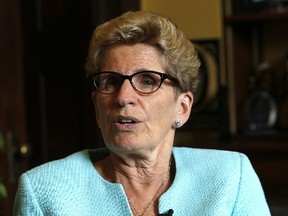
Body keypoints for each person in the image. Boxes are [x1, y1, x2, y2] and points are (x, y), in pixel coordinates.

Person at [13, 11, 270, 216]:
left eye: (147, 81)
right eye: (111, 81)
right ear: (96, 107)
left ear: (182, 107)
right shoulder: (44, 190)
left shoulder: (230, 175)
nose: (123, 97)